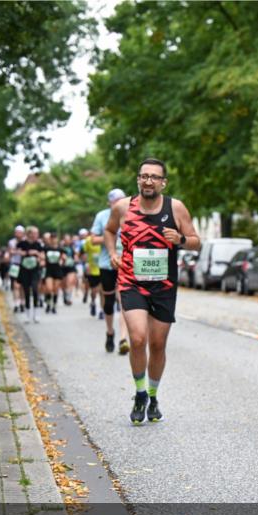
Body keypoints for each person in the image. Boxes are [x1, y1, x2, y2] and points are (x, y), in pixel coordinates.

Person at [105, 158, 200, 425]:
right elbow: (110, 231)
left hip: (164, 286)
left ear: (163, 182)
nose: (148, 181)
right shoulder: (122, 207)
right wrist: (112, 253)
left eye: (154, 177)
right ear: (138, 180)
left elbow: (196, 242)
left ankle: (154, 395)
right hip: (131, 282)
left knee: (158, 344)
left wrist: (180, 239)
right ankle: (139, 394)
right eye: (144, 176)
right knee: (137, 339)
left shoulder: (176, 208)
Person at [91, 189, 128, 352]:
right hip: (107, 264)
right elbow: (93, 239)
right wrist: (110, 236)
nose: (119, 204)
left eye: (122, 200)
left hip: (127, 264)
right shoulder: (102, 216)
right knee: (109, 303)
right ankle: (110, 332)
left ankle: (123, 339)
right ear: (110, 203)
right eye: (116, 201)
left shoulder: (132, 214)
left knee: (125, 300)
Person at [17, 226, 44, 323]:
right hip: (25, 270)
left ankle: (36, 313)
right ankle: (27, 314)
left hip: (35, 270)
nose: (36, 235)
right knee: (26, 291)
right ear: (29, 234)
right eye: (35, 233)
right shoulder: (22, 243)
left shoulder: (38, 244)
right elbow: (19, 252)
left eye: (37, 233)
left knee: (35, 288)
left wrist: (38, 255)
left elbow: (42, 255)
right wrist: (28, 252)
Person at [81, 228, 103, 318]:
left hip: (103, 269)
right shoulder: (88, 241)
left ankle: (102, 311)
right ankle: (93, 302)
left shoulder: (105, 239)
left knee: (102, 291)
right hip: (92, 269)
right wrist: (86, 265)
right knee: (94, 291)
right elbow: (83, 253)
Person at [42, 231, 65, 314]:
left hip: (57, 270)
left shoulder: (60, 248)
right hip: (49, 270)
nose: (54, 240)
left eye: (55, 238)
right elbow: (42, 257)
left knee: (55, 289)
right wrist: (42, 260)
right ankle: (48, 303)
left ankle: (54, 305)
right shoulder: (46, 248)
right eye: (52, 238)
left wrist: (63, 260)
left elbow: (63, 257)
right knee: (49, 288)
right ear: (50, 239)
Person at [9, 225, 26, 311]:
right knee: (15, 285)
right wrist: (18, 252)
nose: (18, 234)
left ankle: (22, 302)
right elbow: (11, 252)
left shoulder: (26, 242)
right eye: (16, 232)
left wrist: (19, 252)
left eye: (19, 232)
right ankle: (16, 304)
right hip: (14, 265)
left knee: (22, 285)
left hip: (24, 265)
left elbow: (25, 252)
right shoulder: (12, 242)